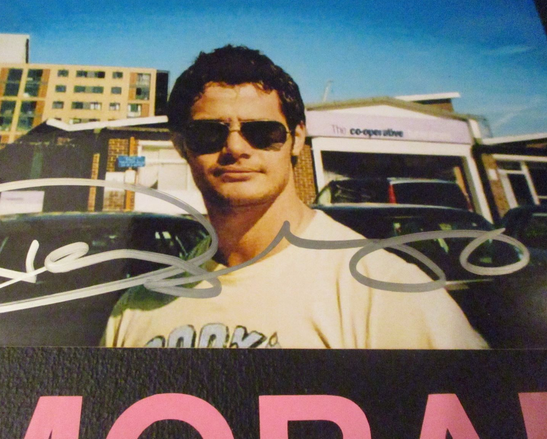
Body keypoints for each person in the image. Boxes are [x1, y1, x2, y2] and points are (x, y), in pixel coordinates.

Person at [104, 45, 487, 349]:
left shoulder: (387, 292)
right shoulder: (138, 307)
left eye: (262, 132)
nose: (235, 147)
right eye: (208, 133)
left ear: (297, 138)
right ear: (180, 145)